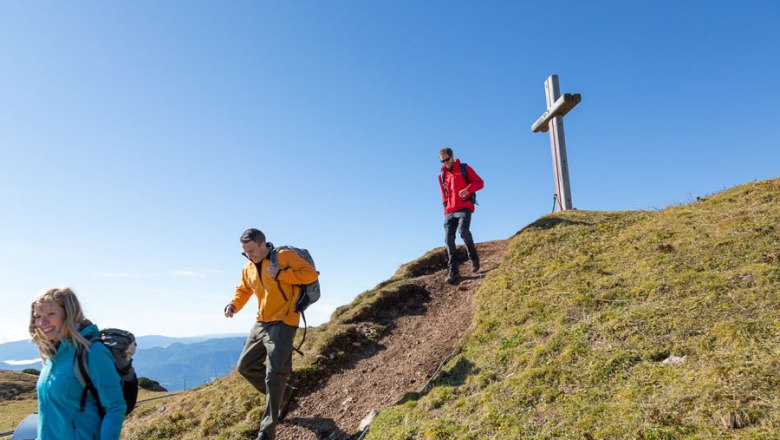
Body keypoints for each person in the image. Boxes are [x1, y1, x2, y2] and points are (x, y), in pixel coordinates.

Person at [224, 228, 318, 440]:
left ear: (262, 244)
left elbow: (310, 274)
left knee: (274, 374)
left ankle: (266, 433)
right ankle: (284, 395)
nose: (249, 255)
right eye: (245, 252)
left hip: (284, 321)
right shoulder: (248, 267)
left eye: (252, 250)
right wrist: (233, 305)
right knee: (245, 366)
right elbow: (244, 290)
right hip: (261, 322)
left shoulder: (283, 256)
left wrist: (282, 274)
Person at [30, 287, 126, 440]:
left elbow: (115, 406)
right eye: (38, 316)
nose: (42, 322)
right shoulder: (52, 357)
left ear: (69, 315)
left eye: (50, 314)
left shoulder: (93, 352)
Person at [438, 146, 484, 284]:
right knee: (448, 240)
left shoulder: (464, 168)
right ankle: (454, 272)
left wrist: (467, 190)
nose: (445, 162)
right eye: (442, 161)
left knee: (463, 231)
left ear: (452, 156)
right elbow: (443, 195)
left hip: (464, 208)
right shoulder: (441, 175)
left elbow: (480, 183)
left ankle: (474, 257)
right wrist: (445, 211)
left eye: (447, 159)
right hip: (450, 211)